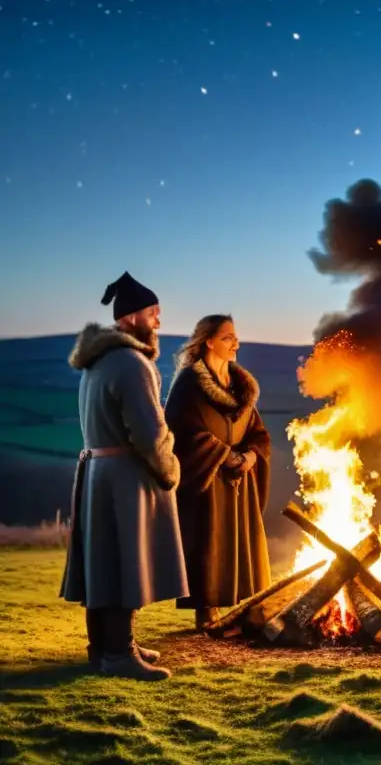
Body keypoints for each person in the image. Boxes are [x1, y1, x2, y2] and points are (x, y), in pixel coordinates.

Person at [59, 271, 188, 681]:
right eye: (154, 314)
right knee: (124, 562)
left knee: (104, 563)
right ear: (132, 317)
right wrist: (169, 470)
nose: (159, 322)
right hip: (125, 478)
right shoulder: (133, 363)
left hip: (99, 473)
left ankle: (108, 647)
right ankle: (117, 655)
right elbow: (149, 433)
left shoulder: (96, 362)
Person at [163, 315, 273, 631]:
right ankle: (206, 610)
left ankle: (248, 607)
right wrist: (223, 455)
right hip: (208, 476)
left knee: (243, 539)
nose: (235, 343)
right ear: (208, 341)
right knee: (208, 541)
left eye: (235, 337)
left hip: (240, 479)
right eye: (227, 337)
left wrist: (251, 456)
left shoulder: (241, 386)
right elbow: (181, 431)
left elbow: (257, 431)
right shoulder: (189, 383)